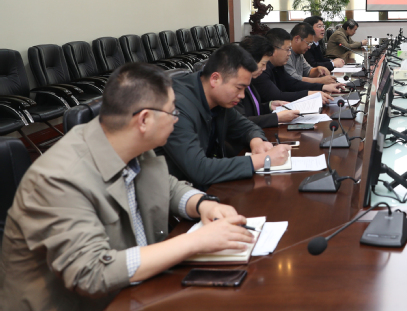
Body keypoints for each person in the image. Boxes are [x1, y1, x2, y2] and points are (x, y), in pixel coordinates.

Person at [0, 63, 257, 311]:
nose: (176, 121)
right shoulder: (59, 179)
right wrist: (195, 241)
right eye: (172, 113)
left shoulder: (124, 139)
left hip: (135, 291)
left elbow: (164, 184)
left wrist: (202, 204)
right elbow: (92, 273)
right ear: (144, 120)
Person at [158, 44, 291, 188]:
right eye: (239, 88)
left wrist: (257, 141)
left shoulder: (218, 99)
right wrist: (265, 159)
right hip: (176, 193)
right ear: (215, 79)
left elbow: (246, 126)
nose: (242, 96)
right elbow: (200, 170)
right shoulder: (176, 107)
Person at [252, 28, 340, 103]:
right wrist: (309, 94)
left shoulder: (278, 65)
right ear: (273, 50)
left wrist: (323, 87)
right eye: (287, 49)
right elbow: (277, 96)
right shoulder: (261, 70)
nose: (289, 53)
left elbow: (292, 83)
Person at [235, 35, 302, 128]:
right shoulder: (235, 86)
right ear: (250, 61)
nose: (264, 68)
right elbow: (240, 122)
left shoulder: (251, 80)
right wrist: (277, 118)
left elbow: (254, 110)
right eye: (263, 64)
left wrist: (270, 106)